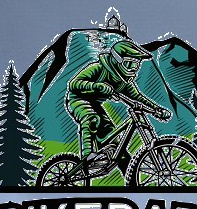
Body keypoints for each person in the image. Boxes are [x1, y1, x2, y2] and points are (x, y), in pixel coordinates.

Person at [62, 13, 165, 174]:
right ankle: (87, 156)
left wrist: (156, 109)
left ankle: (131, 180)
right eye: (129, 63)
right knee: (91, 118)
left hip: (95, 104)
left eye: (136, 66)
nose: (132, 70)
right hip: (77, 99)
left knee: (116, 145)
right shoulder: (99, 68)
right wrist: (99, 87)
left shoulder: (123, 81)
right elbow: (74, 84)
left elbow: (137, 96)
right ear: (117, 59)